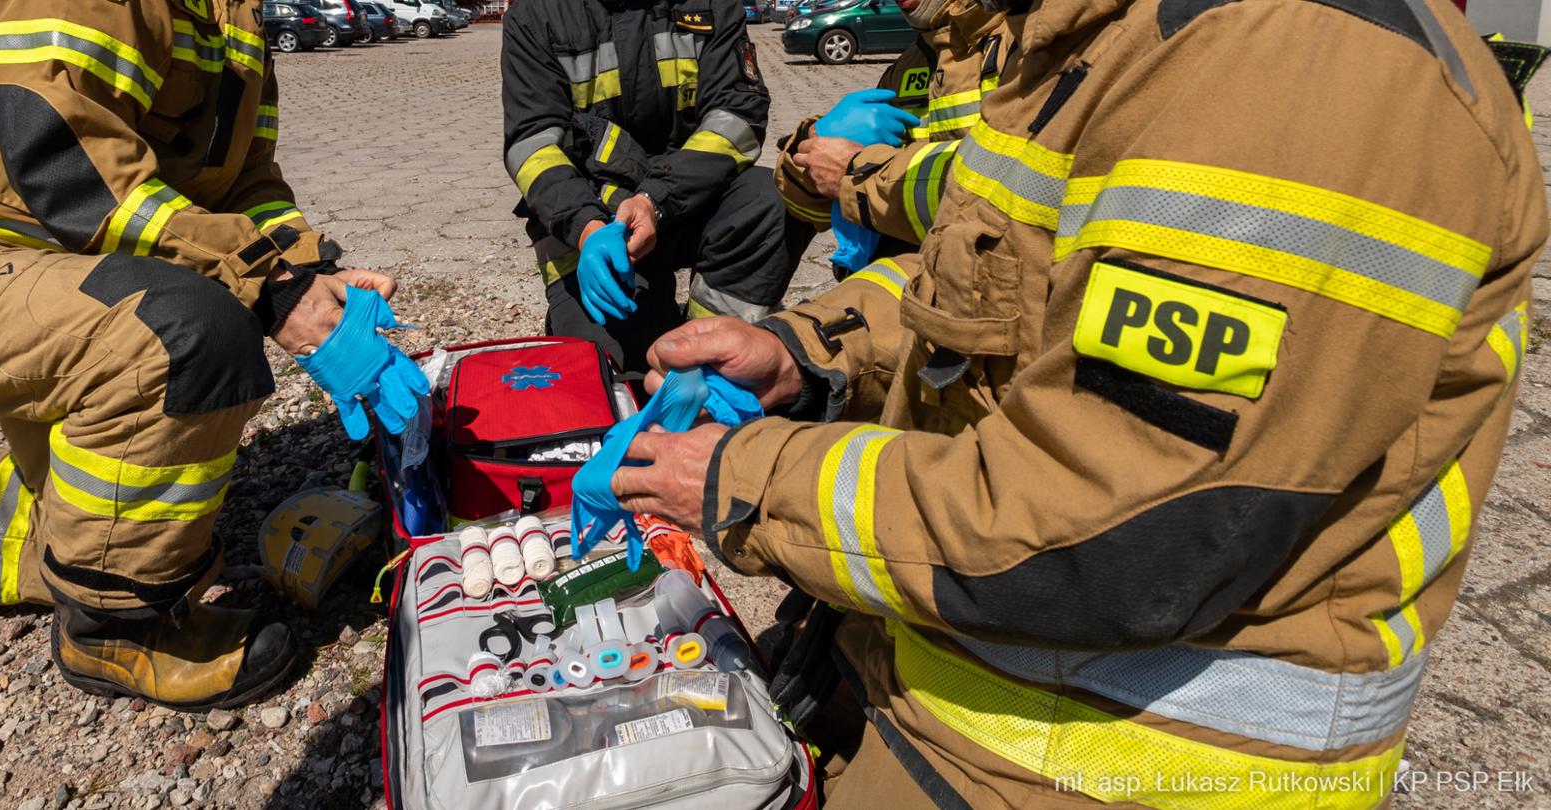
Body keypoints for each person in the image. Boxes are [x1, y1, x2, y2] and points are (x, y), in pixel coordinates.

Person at [606, 0, 1548, 805]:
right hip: (958, 704)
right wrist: (807, 351)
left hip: (1108, 768)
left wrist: (745, 477)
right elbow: (989, 280)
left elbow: (1112, 527)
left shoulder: (1295, 62)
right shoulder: (1099, 36)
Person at [0, 0, 427, 712]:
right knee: (187, 337)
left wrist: (308, 273)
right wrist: (273, 290)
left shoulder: (234, 15)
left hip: (66, 272)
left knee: (92, 525)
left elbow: (243, 182)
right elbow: (65, 161)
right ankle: (116, 629)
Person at [500, 0, 817, 373]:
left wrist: (654, 199)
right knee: (620, 377)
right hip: (594, 226)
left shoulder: (711, 4)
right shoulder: (535, 14)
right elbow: (533, 143)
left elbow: (737, 116)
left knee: (770, 197)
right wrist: (586, 227)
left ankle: (713, 352)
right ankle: (593, 324)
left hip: (687, 199)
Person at [773, 0, 1008, 272]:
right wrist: (814, 140)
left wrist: (857, 174)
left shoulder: (1028, 50)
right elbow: (810, 211)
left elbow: (1006, 199)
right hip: (916, 273)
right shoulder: (911, 63)